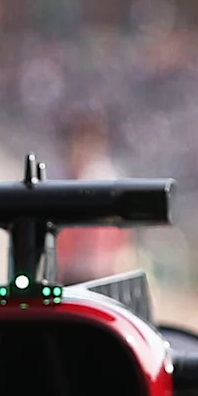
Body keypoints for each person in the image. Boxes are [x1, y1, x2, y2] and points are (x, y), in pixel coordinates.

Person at [52, 120, 134, 285]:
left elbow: (121, 235)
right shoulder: (62, 180)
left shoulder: (106, 182)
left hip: (101, 270)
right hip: (71, 271)